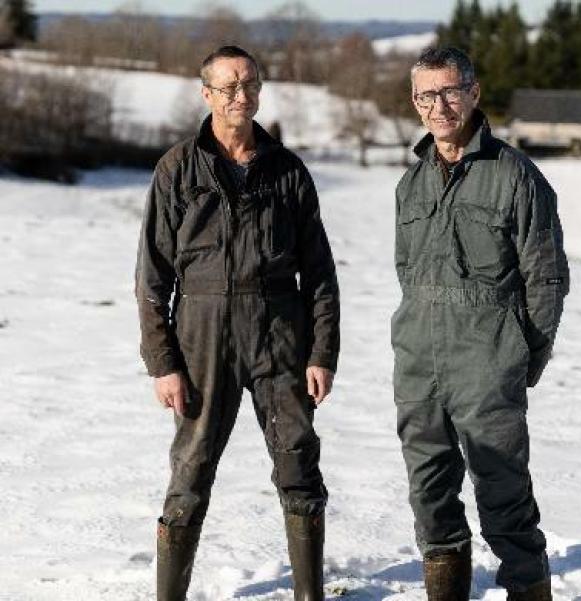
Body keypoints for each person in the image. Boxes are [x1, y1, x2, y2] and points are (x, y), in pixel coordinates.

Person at [135, 45, 339, 601]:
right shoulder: (179, 168)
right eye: (227, 87)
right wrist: (164, 363)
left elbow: (319, 272)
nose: (239, 96)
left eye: (249, 84)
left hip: (279, 332)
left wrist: (322, 352)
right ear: (207, 94)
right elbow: (151, 276)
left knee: (298, 459)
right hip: (202, 334)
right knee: (192, 467)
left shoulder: (288, 171)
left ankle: (309, 593)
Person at [391, 47, 569, 601]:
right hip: (419, 367)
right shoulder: (411, 183)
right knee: (429, 496)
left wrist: (521, 358)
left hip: (488, 365)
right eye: (426, 95)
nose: (438, 106)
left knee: (504, 499)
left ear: (473, 92)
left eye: (449, 92)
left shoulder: (516, 177)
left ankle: (528, 590)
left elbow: (546, 280)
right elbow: (407, 273)